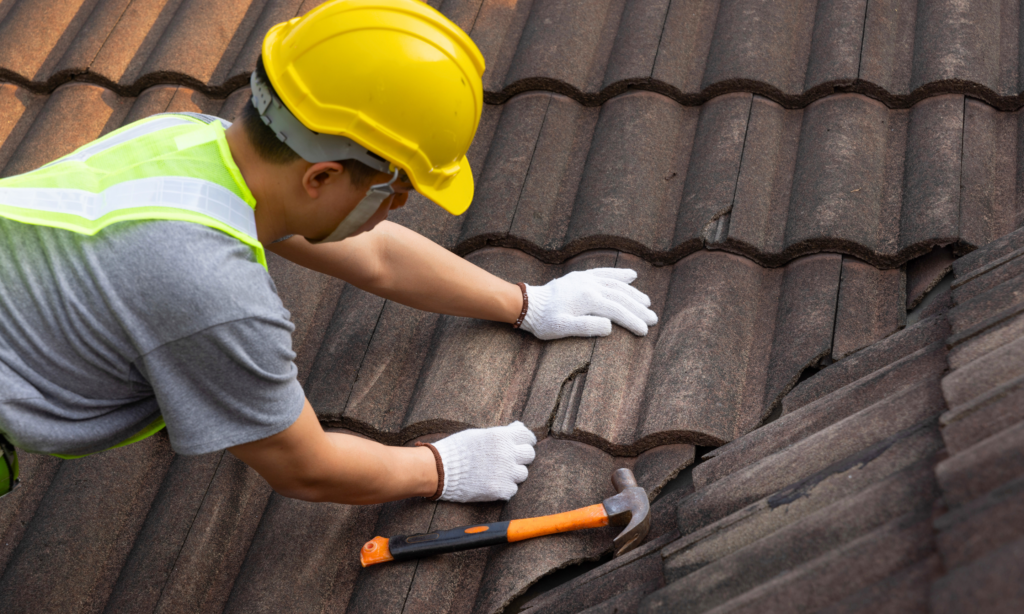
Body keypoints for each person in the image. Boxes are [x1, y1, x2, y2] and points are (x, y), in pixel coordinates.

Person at [0, 0, 657, 505]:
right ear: (320, 178)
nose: (396, 208)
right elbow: (302, 465)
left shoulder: (190, 139)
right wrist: (439, 467)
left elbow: (377, 257)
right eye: (394, 190)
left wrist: (525, 303)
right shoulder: (210, 294)